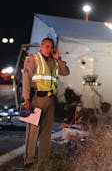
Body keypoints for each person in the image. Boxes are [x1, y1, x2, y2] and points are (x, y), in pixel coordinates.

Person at [22, 37, 70, 167]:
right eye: (47, 46)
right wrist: (26, 99)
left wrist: (58, 59)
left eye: (51, 47)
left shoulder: (54, 61)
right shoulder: (32, 59)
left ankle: (43, 160)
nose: (49, 49)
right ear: (41, 47)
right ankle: (29, 160)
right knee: (33, 131)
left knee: (46, 133)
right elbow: (26, 79)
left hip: (50, 100)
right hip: (35, 99)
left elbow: (66, 72)